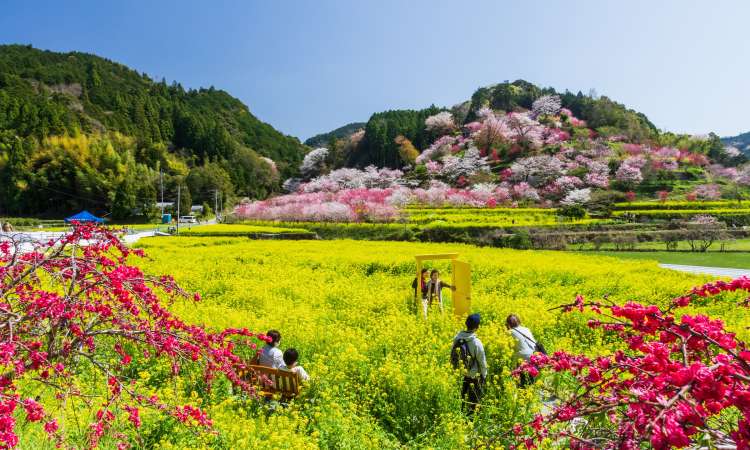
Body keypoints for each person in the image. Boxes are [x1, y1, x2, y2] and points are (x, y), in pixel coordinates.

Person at [452, 313, 487, 416]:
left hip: (460, 372)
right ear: (477, 327)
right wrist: (484, 375)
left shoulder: (457, 338)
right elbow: (482, 362)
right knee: (474, 399)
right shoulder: (476, 342)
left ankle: (459, 415)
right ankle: (471, 419)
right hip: (473, 374)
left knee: (461, 396)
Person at [506, 314, 538, 387]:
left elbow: (509, 349)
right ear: (519, 321)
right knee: (531, 379)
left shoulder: (509, 332)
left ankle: (524, 391)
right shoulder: (526, 329)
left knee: (522, 381)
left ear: (508, 324)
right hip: (535, 356)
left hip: (522, 358)